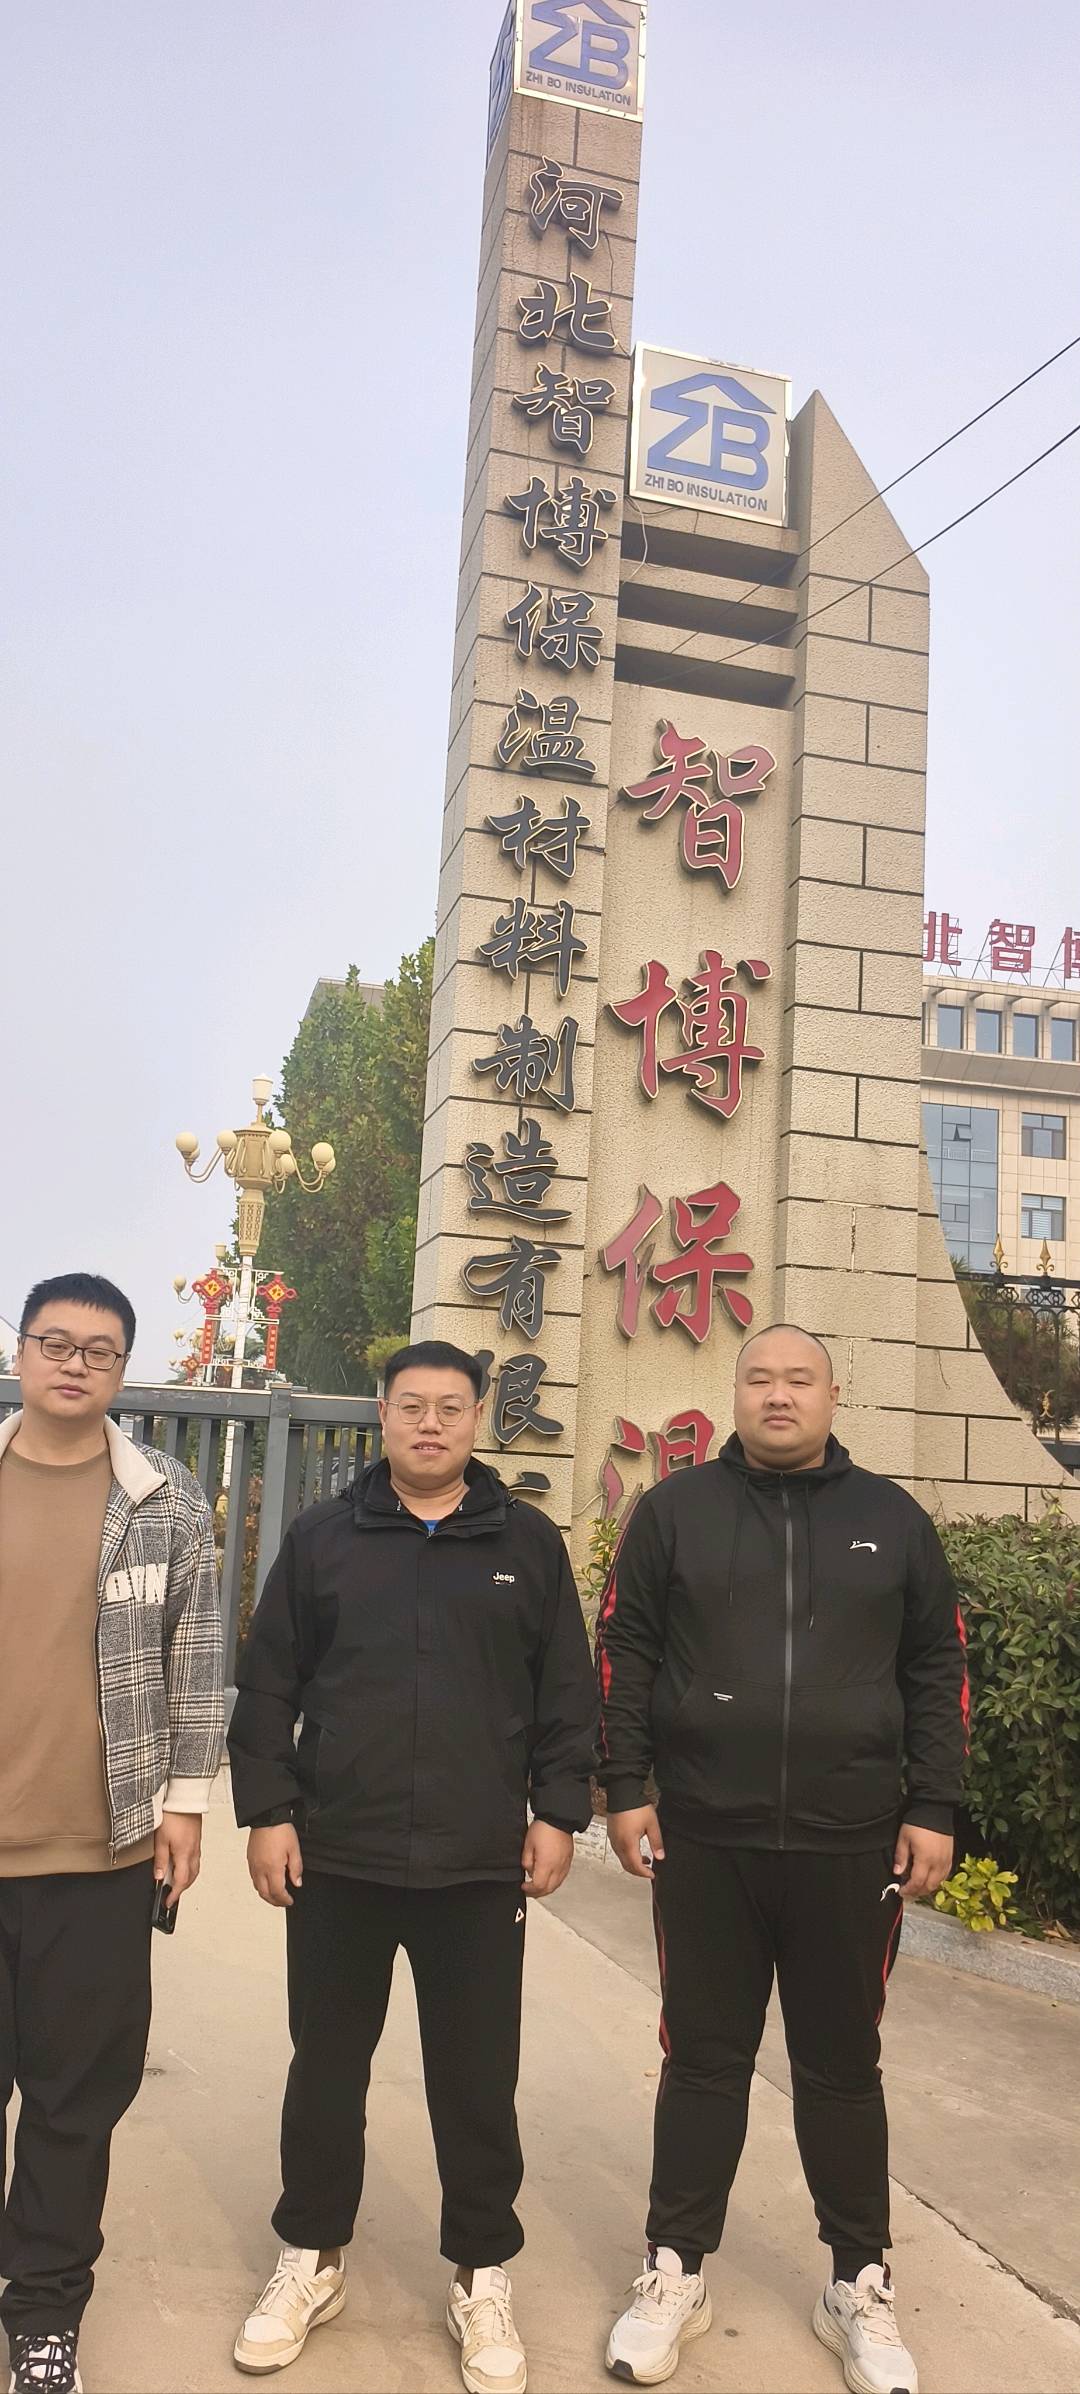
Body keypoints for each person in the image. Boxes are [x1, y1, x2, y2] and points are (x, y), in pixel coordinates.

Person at [597, 1323, 968, 2394]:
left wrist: (934, 1805)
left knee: (842, 2067)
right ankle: (676, 2269)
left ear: (832, 1396)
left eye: (799, 1379)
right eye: (759, 1377)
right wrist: (624, 1786)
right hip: (705, 1836)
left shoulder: (890, 1521)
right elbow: (624, 1647)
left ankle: (858, 2280)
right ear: (736, 1394)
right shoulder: (676, 1512)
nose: (778, 1394)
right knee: (703, 2058)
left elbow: (936, 1665)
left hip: (852, 1843)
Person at [228, 1338, 596, 2391]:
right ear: (382, 1416)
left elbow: (565, 1692)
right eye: (410, 1406)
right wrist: (269, 1812)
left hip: (477, 1863)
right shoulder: (323, 1538)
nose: (430, 1424)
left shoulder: (525, 1543)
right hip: (339, 1851)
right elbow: (270, 1683)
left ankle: (481, 2272)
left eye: (449, 1407)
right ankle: (312, 2255)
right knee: (325, 2068)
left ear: (477, 1418)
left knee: (476, 2080)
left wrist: (558, 1812)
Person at [0, 1272, 224, 2394]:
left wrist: (185, 1803)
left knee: (72, 2105)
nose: (74, 1363)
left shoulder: (164, 1498)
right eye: (56, 1342)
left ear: (123, 1368)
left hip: (100, 1854)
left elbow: (201, 1655)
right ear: (22, 1349)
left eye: (99, 1349)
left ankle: (44, 2316)